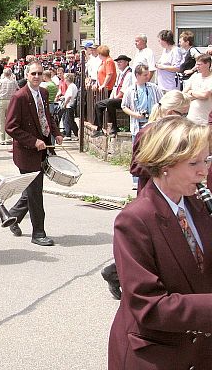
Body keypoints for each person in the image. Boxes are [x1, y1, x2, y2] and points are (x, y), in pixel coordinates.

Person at [108, 116, 212, 369]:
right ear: (166, 164)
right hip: (155, 355)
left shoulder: (198, 204)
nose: (204, 171)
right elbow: (149, 305)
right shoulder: (134, 220)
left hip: (199, 353)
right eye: (194, 163)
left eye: (207, 160)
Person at [103, 90, 191, 299]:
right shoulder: (148, 132)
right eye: (182, 114)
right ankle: (115, 273)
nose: (185, 119)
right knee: (152, 243)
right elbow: (135, 167)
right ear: (170, 112)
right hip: (152, 196)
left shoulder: (173, 132)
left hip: (173, 194)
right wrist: (163, 167)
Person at [5, 60, 64, 246]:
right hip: (27, 153)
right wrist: (33, 141)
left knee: (32, 190)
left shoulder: (44, 93)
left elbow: (47, 117)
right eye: (33, 74)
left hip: (44, 150)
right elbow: (11, 127)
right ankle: (38, 233)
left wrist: (56, 133)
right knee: (36, 193)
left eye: (39, 73)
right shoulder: (19, 97)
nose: (37, 77)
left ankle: (12, 216)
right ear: (26, 75)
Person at [122, 64, 163, 190]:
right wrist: (135, 114)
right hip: (138, 124)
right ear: (137, 75)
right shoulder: (130, 90)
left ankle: (153, 177)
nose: (147, 77)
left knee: (154, 151)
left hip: (152, 123)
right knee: (138, 153)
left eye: (148, 74)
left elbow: (162, 102)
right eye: (145, 75)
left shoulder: (154, 88)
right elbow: (124, 106)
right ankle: (136, 179)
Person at [93, 54, 133, 137]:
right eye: (118, 62)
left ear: (126, 63)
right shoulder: (120, 74)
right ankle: (99, 128)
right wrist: (111, 98)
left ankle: (114, 128)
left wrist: (113, 99)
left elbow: (123, 91)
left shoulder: (129, 74)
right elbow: (115, 87)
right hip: (118, 98)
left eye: (120, 62)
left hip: (125, 99)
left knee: (110, 103)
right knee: (98, 104)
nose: (118, 64)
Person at [184, 53, 212, 125]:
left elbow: (204, 95)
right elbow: (184, 93)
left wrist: (191, 92)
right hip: (191, 118)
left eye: (199, 64)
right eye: (196, 64)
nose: (197, 67)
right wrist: (195, 95)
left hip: (204, 120)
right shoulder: (195, 76)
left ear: (207, 64)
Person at [0, 67, 18, 145]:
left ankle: (2, 138)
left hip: (1, 100)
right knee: (9, 119)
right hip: (11, 101)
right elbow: (18, 88)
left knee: (1, 121)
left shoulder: (0, 81)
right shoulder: (13, 82)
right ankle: (8, 138)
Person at [60, 73, 79, 140]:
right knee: (66, 120)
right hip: (69, 105)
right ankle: (68, 134)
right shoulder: (72, 86)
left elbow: (70, 96)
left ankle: (76, 134)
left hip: (69, 105)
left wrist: (65, 104)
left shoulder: (71, 86)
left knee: (70, 120)